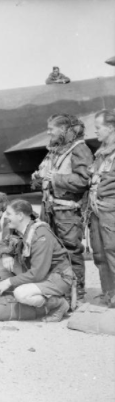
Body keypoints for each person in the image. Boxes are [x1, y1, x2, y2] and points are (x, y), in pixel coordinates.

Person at [31, 114, 93, 298]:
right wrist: (36, 178)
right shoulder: (54, 150)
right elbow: (44, 173)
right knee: (53, 249)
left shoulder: (79, 149)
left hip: (68, 211)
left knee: (71, 250)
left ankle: (77, 289)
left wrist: (55, 178)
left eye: (52, 128)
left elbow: (84, 180)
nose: (48, 132)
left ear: (64, 130)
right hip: (50, 209)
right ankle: (60, 286)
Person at [0, 199, 74, 323]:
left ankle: (59, 304)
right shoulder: (19, 229)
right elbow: (4, 243)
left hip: (57, 277)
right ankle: (13, 291)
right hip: (37, 271)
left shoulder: (40, 235)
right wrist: (5, 254)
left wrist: (9, 281)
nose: (6, 217)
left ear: (20, 216)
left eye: (9, 214)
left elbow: (37, 274)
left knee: (21, 294)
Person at [88, 109, 115, 308]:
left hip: (111, 209)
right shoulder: (101, 153)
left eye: (98, 128)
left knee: (113, 251)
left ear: (111, 127)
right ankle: (109, 294)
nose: (95, 132)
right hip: (97, 210)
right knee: (99, 254)